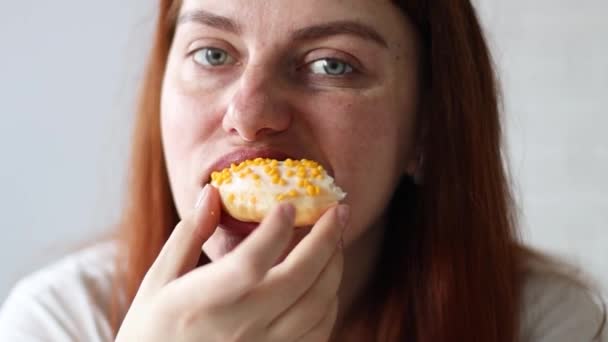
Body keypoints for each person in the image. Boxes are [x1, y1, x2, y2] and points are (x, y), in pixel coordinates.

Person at [0, 0, 605, 341]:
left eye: (332, 65)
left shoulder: (543, 324)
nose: (250, 115)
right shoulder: (57, 321)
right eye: (212, 53)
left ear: (427, 129)